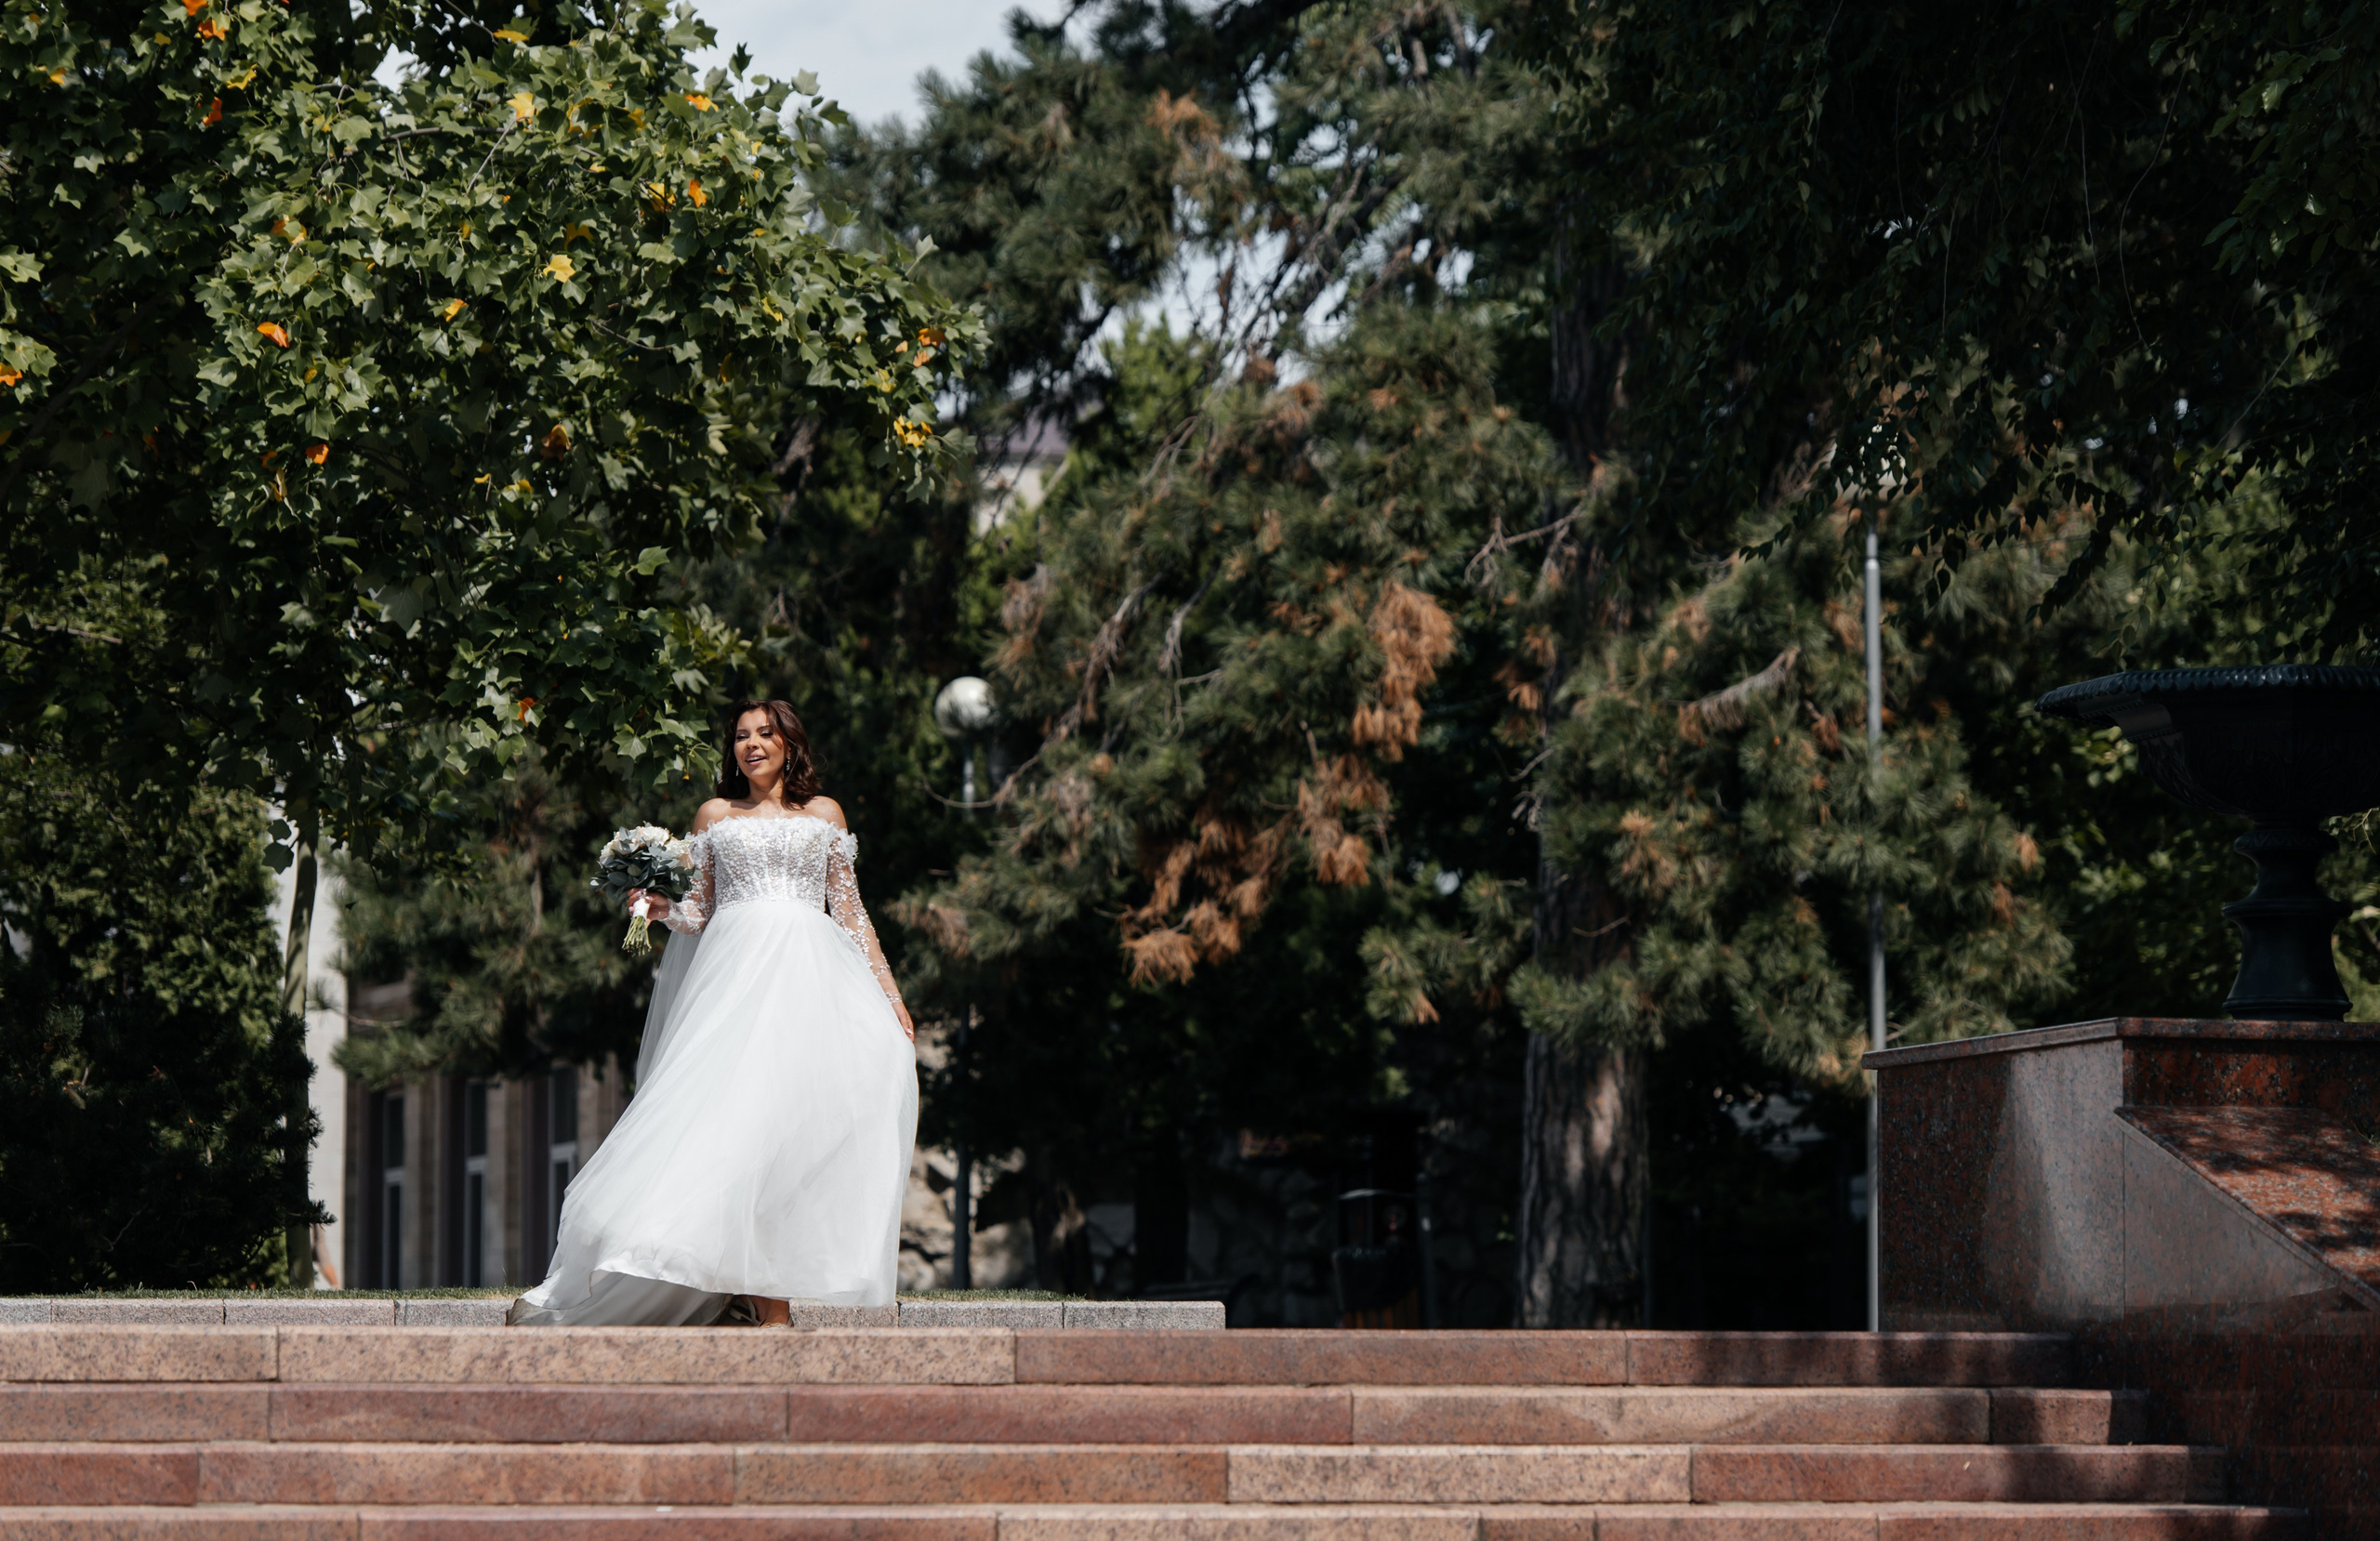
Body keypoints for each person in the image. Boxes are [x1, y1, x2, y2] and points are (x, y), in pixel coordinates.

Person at [509, 700, 919, 1326]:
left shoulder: (825, 815)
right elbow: (698, 913)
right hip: (736, 985)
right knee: (740, 1126)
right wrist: (653, 907)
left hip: (812, 982)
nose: (750, 744)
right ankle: (766, 1308)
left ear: (790, 745)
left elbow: (852, 912)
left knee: (796, 1129)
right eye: (740, 737)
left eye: (764, 734)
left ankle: (754, 1293)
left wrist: (890, 996)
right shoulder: (715, 816)